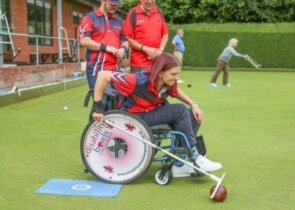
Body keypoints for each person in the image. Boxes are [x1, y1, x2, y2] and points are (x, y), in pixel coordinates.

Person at [92, 53, 223, 174]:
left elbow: (175, 92)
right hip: (135, 117)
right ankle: (194, 156)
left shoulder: (168, 82)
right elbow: (103, 75)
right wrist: (97, 108)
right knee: (180, 110)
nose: (177, 78)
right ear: (160, 73)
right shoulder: (137, 80)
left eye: (178, 74)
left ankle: (180, 163)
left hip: (150, 112)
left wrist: (194, 105)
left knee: (192, 116)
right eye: (173, 74)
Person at [78, 0, 129, 91]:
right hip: (96, 69)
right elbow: (84, 41)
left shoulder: (120, 21)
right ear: (103, 1)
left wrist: (123, 49)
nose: (115, 7)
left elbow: (125, 41)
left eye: (117, 5)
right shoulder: (90, 18)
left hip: (116, 68)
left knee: (118, 102)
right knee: (101, 102)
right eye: (112, 4)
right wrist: (106, 47)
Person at [125, 0, 168, 73]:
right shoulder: (133, 13)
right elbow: (128, 38)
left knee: (155, 84)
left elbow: (165, 34)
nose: (150, 1)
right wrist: (146, 49)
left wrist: (161, 49)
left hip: (156, 62)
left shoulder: (158, 11)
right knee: (140, 84)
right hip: (139, 64)